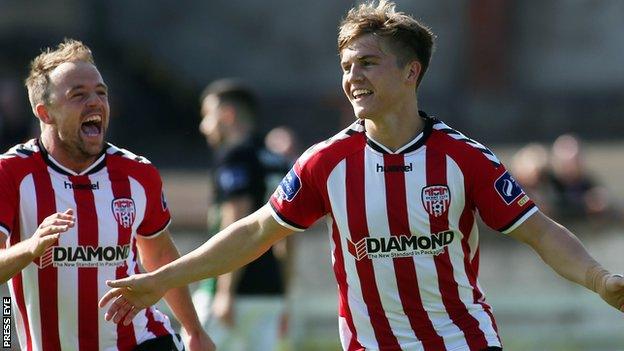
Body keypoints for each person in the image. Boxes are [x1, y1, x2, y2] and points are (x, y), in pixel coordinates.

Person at [100, 2, 624, 350]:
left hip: (463, 340)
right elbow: (256, 232)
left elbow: (540, 232)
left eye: (368, 63)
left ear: (410, 72)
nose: (352, 77)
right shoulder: (326, 162)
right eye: (347, 66)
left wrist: (601, 280)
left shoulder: (464, 158)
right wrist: (160, 280)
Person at [0, 39, 214, 351]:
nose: (95, 102)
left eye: (101, 93)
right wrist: (30, 248)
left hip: (141, 341)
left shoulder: (137, 173)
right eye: (78, 95)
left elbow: (159, 255)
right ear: (45, 113)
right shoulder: (11, 173)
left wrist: (194, 331)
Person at [193, 79, 291, 351]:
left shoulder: (235, 156)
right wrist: (285, 295)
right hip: (270, 292)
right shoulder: (276, 160)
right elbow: (290, 236)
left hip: (235, 291)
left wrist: (225, 292)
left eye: (207, 116)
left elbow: (235, 221)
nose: (204, 126)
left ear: (227, 114)